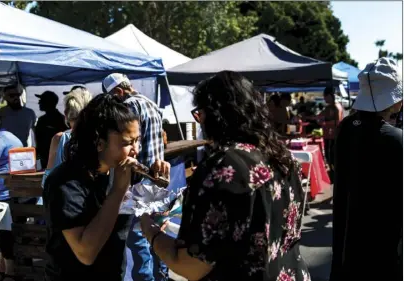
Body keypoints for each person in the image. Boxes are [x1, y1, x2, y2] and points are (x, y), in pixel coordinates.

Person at [140, 71, 311, 281]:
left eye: (199, 114)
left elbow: (190, 265)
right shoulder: (283, 156)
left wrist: (151, 232)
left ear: (214, 115)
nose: (200, 122)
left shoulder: (223, 167)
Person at [43, 94, 170, 281]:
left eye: (137, 140)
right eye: (127, 143)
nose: (136, 150)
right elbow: (85, 253)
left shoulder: (118, 171)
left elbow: (138, 212)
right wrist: (118, 191)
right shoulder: (65, 182)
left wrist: (158, 193)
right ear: (99, 143)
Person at [330, 57, 403, 281]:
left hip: (346, 239)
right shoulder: (395, 139)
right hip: (382, 245)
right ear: (394, 100)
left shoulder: (346, 128)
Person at [102, 73, 167, 281]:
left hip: (138, 178)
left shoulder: (129, 106)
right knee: (156, 232)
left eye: (113, 97)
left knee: (138, 237)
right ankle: (162, 276)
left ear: (119, 91)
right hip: (156, 177)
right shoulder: (151, 103)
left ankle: (145, 279)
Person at [41, 87, 92, 188]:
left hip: (65, 198)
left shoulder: (59, 139)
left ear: (66, 114)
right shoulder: (101, 138)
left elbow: (46, 181)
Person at [0, 114, 23, 281]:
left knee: (3, 235)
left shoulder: (0, 140)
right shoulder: (13, 137)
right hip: (15, 194)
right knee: (7, 234)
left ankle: (9, 272)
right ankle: (6, 270)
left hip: (1, 195)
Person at [35, 91, 68, 169]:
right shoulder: (42, 120)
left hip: (57, 160)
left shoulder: (62, 120)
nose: (39, 103)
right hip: (45, 160)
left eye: (41, 100)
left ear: (48, 102)